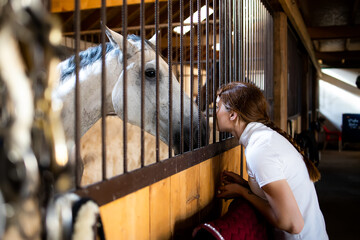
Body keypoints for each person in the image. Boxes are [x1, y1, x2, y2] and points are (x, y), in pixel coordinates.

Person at [215, 82, 328, 240]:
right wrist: (246, 185)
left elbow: (293, 224)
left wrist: (243, 192)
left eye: (218, 107)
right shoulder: (263, 139)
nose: (215, 112)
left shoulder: (260, 149)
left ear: (232, 115)